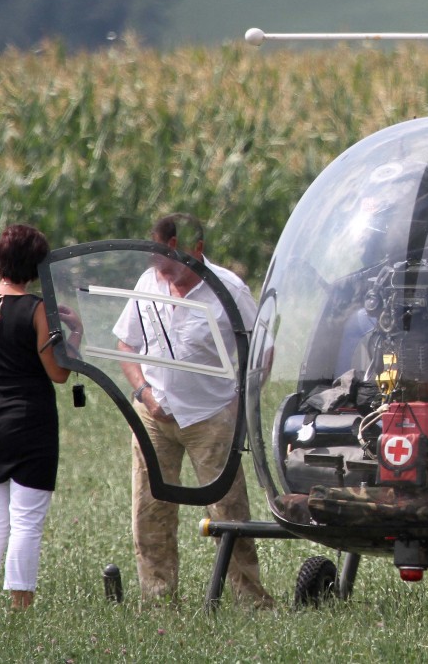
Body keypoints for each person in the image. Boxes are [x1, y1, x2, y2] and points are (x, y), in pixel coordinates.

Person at [112, 213, 274, 608]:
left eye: (171, 264)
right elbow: (126, 345)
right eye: (158, 264)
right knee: (150, 510)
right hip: (152, 416)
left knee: (228, 512)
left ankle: (249, 600)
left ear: (196, 250)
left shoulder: (230, 291)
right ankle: (158, 597)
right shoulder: (149, 281)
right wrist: (143, 391)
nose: (163, 274)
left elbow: (261, 353)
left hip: (210, 418)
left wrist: (237, 402)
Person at [0, 224, 80, 613]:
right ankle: (20, 604)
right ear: (36, 265)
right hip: (31, 421)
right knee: (27, 520)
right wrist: (74, 334)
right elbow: (59, 374)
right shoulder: (37, 310)